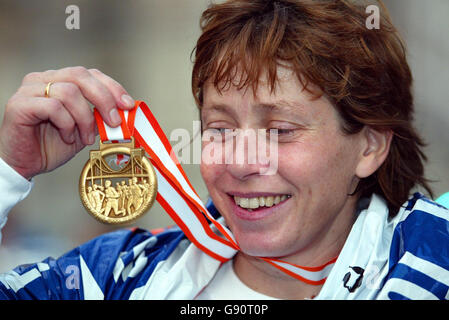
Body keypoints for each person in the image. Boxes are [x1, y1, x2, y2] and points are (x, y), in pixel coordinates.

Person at [0, 0, 448, 300]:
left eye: (280, 130)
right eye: (219, 127)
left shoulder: (434, 264)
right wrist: (8, 170)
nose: (239, 160)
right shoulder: (113, 276)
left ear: (369, 146)